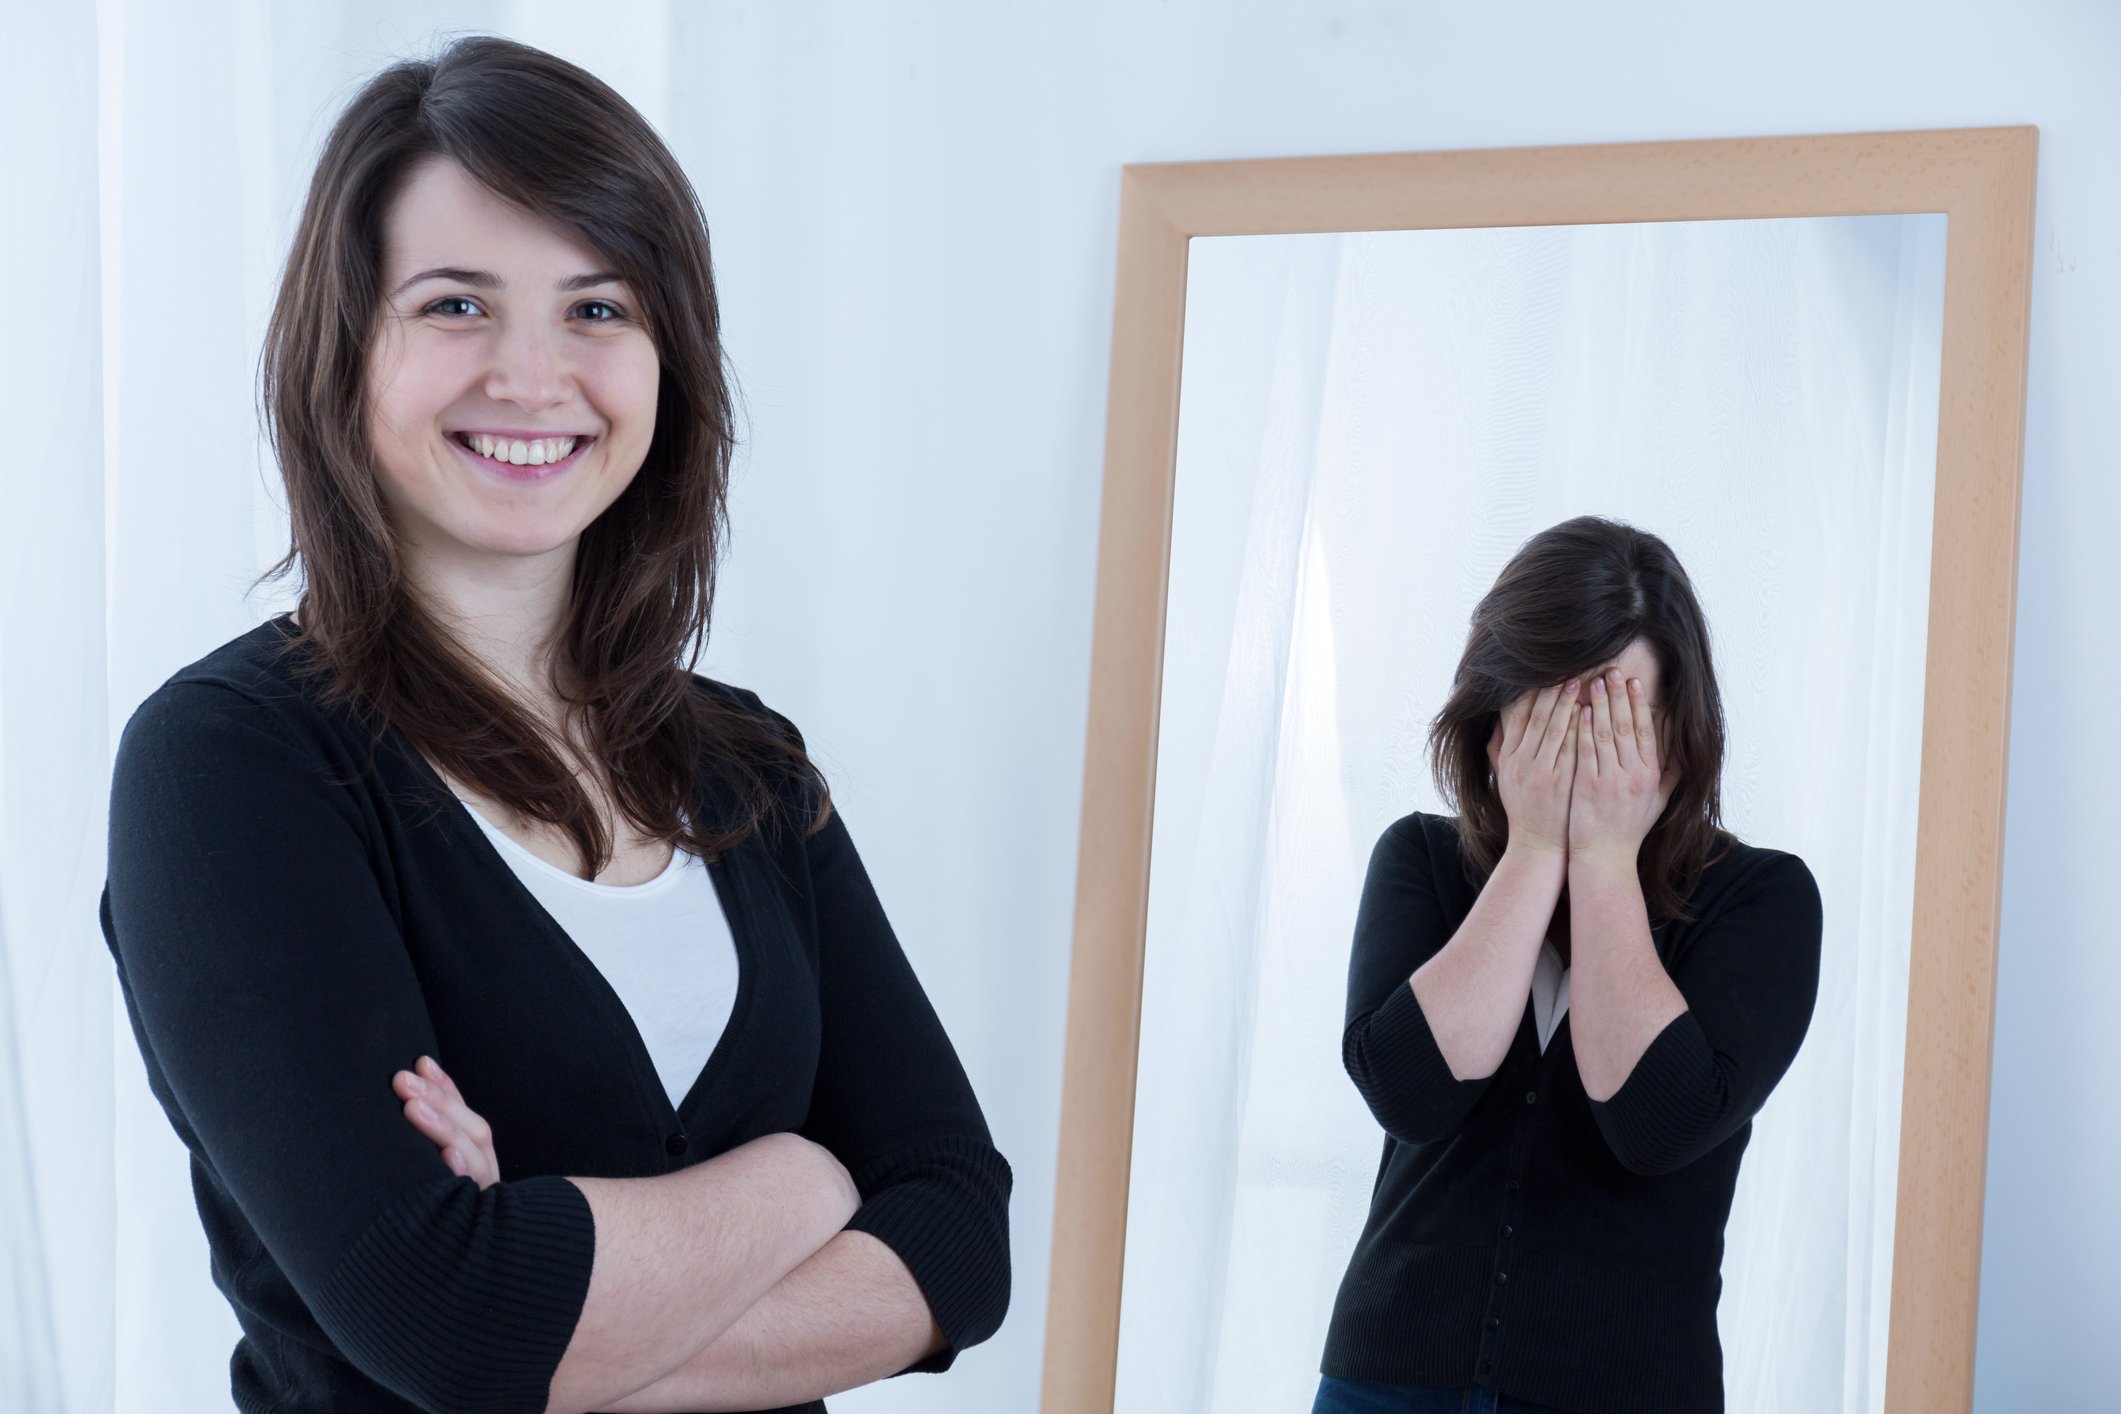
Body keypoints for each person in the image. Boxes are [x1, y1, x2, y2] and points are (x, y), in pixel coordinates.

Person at [99, 35, 1009, 1414]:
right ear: (345, 349)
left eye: (598, 310)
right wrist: (807, 1175)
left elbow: (959, 1229)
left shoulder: (748, 767)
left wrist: (568, 1320)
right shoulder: (230, 764)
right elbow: (448, 1316)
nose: (532, 377)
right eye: (456, 305)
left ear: (668, 359)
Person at [1311, 516, 1823, 1414]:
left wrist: (1601, 862)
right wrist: (1535, 847)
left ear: (1674, 733)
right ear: (1496, 718)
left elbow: (1654, 1123)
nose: (1582, 747)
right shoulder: (1422, 862)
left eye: (1618, 716)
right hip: (1385, 1381)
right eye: (1553, 714)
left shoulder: (1762, 899)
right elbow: (1410, 1091)